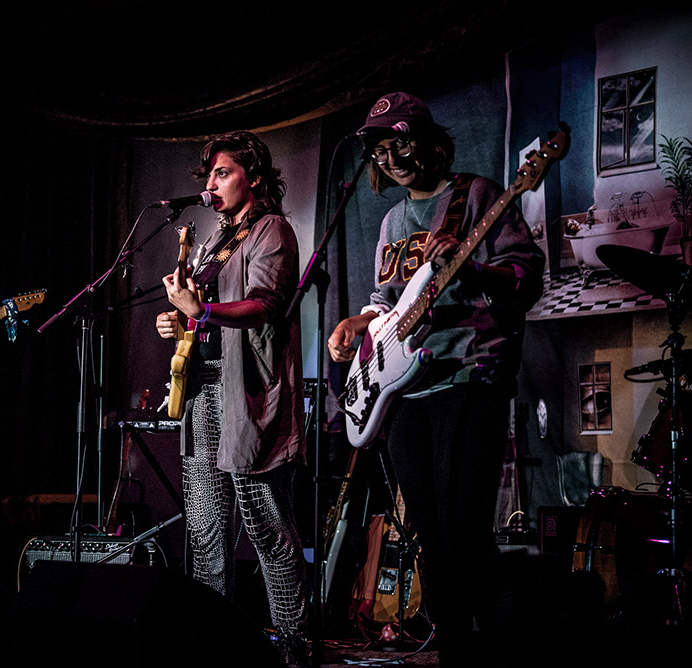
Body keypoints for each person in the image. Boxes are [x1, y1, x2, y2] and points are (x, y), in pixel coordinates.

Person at [327, 93, 545, 666]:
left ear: (429, 140)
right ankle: (454, 648)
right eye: (378, 146)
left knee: (462, 525)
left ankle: (487, 647)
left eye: (398, 140)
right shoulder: (392, 220)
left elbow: (526, 279)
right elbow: (386, 303)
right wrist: (357, 321)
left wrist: (470, 267)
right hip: (404, 391)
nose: (389, 154)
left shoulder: (477, 196)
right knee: (426, 528)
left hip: (469, 375)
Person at [155, 131, 309, 665]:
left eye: (223, 173)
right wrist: (177, 321)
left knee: (265, 522)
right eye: (210, 176)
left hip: (249, 391)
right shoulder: (212, 241)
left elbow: (265, 304)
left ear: (255, 179)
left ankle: (292, 642)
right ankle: (209, 640)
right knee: (204, 527)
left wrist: (198, 312)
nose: (212, 184)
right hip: (202, 390)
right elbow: (201, 314)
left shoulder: (273, 230)